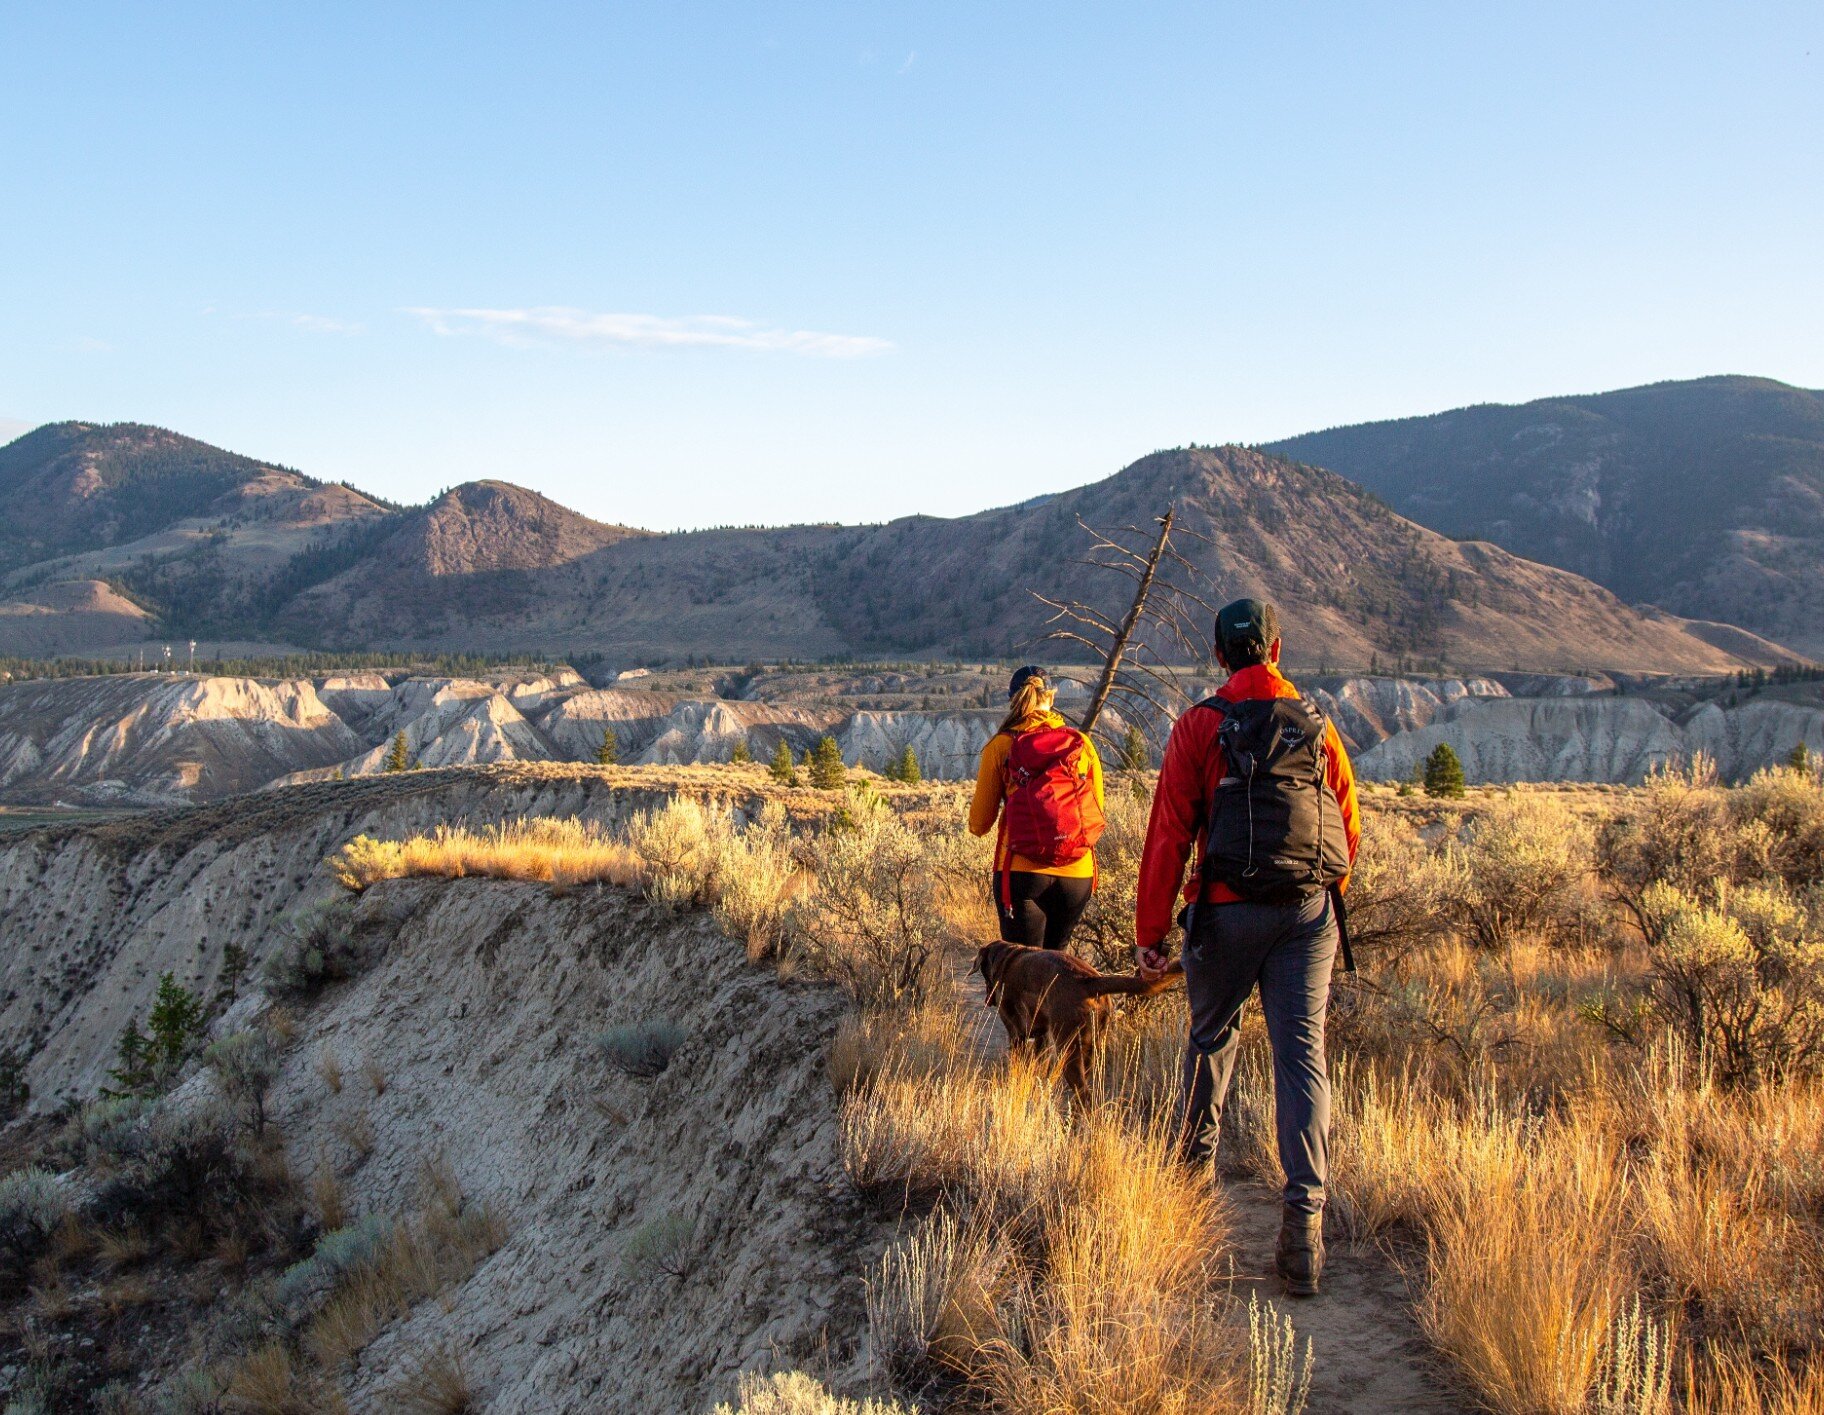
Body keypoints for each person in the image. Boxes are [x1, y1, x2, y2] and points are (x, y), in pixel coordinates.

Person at [1134, 599, 1360, 1297]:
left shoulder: (1200, 724)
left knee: (1210, 1041)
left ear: (1218, 654)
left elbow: (1169, 833)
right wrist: (1313, 892)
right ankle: (1303, 1232)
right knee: (1302, 1060)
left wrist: (1150, 933)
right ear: (1278, 647)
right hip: (1307, 914)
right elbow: (1345, 829)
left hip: (1226, 914)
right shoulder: (1316, 725)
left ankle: (1191, 1194)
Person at [969, 666, 1106, 951]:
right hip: (1077, 874)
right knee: (1057, 970)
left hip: (1021, 873)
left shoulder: (1001, 746)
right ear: (1051, 698)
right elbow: (1097, 812)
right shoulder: (1082, 744)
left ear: (1013, 700)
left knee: (1022, 974)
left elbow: (979, 824)